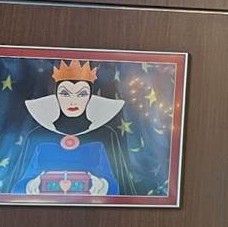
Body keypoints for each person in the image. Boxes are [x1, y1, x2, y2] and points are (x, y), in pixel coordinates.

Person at [9, 59, 135, 197]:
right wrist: (30, 186)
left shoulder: (106, 135)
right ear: (56, 95)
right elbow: (17, 187)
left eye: (82, 94)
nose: (73, 101)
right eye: (65, 93)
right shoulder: (37, 135)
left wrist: (104, 185)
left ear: (90, 96)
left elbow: (121, 186)